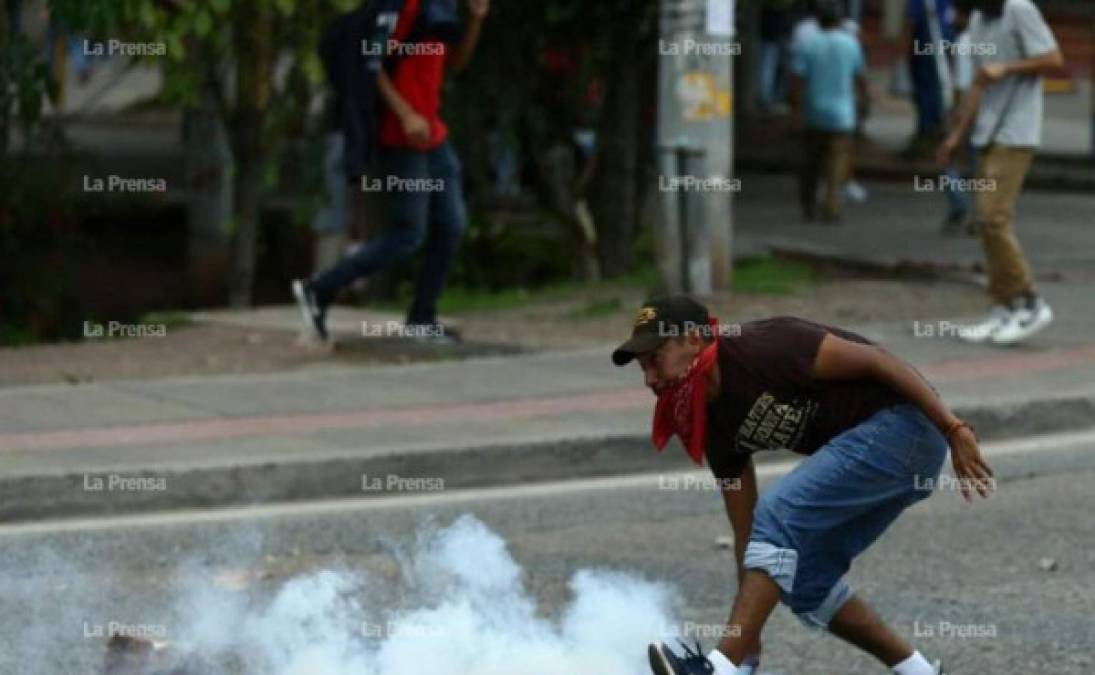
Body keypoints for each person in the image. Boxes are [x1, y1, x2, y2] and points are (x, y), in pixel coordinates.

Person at [610, 296, 994, 675]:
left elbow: (880, 360)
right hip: (886, 458)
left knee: (780, 512)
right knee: (804, 580)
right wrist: (747, 640)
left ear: (694, 340)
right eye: (642, 368)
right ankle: (920, 672)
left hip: (906, 428)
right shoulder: (709, 421)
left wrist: (953, 428)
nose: (650, 380)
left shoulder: (768, 347)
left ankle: (717, 670)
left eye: (655, 360)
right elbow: (747, 532)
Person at [293, 0, 489, 343]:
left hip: (432, 134)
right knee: (407, 234)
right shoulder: (405, 7)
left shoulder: (442, 8)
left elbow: (455, 63)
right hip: (398, 136)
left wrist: (475, 20)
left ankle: (422, 318)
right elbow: (370, 59)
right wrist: (405, 114)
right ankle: (318, 289)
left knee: (451, 224)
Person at [937, 0, 1061, 345]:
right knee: (983, 223)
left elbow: (1053, 59)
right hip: (986, 133)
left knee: (994, 218)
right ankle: (1003, 308)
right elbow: (978, 83)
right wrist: (956, 137)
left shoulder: (1020, 10)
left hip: (1017, 132)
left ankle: (1031, 301)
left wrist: (1006, 68)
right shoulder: (978, 18)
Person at [789, 0, 868, 223]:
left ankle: (808, 204)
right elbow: (860, 77)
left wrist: (795, 110)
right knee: (837, 166)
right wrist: (864, 102)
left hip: (813, 113)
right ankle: (832, 208)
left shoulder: (808, 44)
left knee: (810, 164)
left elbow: (796, 79)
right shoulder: (851, 44)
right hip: (842, 116)